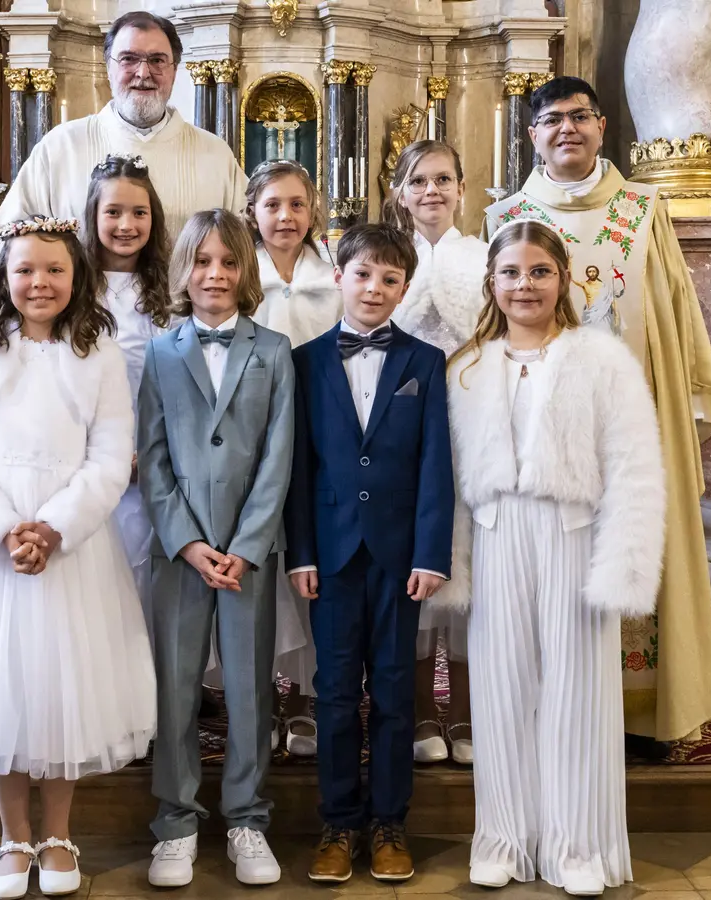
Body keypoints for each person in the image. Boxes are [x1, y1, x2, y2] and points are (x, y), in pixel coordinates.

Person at [0, 217, 156, 900]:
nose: (39, 283)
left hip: (71, 541)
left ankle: (58, 831)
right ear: (3, 275)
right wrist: (3, 529)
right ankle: (13, 832)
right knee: (3, 686)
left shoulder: (97, 346)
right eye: (25, 270)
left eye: (53, 270)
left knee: (62, 682)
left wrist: (54, 528)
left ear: (77, 276)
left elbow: (111, 453)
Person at [483, 75, 711, 752]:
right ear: (531, 134)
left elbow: (677, 315)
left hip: (631, 430)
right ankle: (550, 713)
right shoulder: (505, 219)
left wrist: (689, 401)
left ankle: (640, 717)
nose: (567, 129)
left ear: (602, 124)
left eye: (580, 117)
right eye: (552, 119)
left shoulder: (644, 211)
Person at [447, 220, 665, 896]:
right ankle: (504, 837)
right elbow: (448, 474)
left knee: (576, 692)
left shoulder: (602, 361)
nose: (524, 285)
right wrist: (451, 559)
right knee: (500, 690)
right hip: (494, 531)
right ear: (491, 282)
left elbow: (634, 467)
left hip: (573, 533)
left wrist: (623, 564)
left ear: (563, 280)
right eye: (510, 272)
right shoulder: (467, 366)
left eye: (539, 271)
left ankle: (576, 844)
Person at [285, 224, 454, 885]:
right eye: (363, 275)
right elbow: (301, 466)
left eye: (389, 279)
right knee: (332, 694)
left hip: (397, 555)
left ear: (404, 288)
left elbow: (436, 464)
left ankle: (389, 824)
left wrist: (430, 552)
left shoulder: (425, 363)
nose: (375, 288)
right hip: (329, 554)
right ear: (339, 275)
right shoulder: (306, 361)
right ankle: (337, 823)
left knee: (391, 693)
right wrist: (301, 551)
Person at [137, 209, 295, 889]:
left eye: (229, 262)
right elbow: (152, 456)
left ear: (246, 271)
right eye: (202, 262)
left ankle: (247, 818)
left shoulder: (275, 350)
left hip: (248, 554)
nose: (216, 274)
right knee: (175, 687)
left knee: (249, 686)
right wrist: (188, 542)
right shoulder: (161, 352)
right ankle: (175, 821)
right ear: (184, 271)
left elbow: (279, 455)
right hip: (182, 554)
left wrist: (248, 543)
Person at [384, 139, 485, 766]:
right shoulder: (387, 257)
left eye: (443, 179)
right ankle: (423, 713)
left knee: (472, 571)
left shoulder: (482, 255)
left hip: (473, 424)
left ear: (462, 188)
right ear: (400, 191)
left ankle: (471, 714)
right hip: (406, 430)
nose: (431, 191)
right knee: (417, 567)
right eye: (418, 180)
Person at [0, 11, 246, 256]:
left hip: (185, 304)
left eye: (157, 60)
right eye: (129, 59)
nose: (143, 73)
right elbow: (8, 234)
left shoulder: (215, 154)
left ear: (174, 71)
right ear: (108, 69)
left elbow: (250, 241)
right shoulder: (61, 147)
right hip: (84, 303)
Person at [247, 158, 341, 757]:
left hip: (319, 438)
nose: (285, 216)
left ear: (313, 213)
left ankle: (304, 697)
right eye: (273, 205)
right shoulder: (237, 273)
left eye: (297, 205)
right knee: (258, 566)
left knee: (308, 563)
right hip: (253, 438)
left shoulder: (332, 278)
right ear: (252, 212)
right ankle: (255, 695)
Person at [81, 154, 175, 621]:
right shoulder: (74, 286)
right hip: (86, 447)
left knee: (143, 566)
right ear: (93, 215)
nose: (126, 224)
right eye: (113, 212)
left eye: (139, 213)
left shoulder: (168, 288)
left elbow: (174, 381)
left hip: (150, 449)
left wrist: (147, 448)